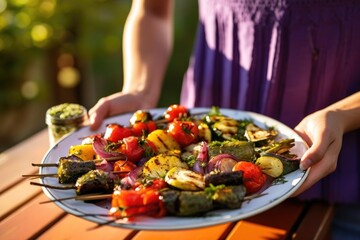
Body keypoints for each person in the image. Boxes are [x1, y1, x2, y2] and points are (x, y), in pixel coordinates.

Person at [89, 0, 360, 236]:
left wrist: (342, 114)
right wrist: (141, 89)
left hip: (343, 184)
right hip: (194, 175)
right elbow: (152, 10)